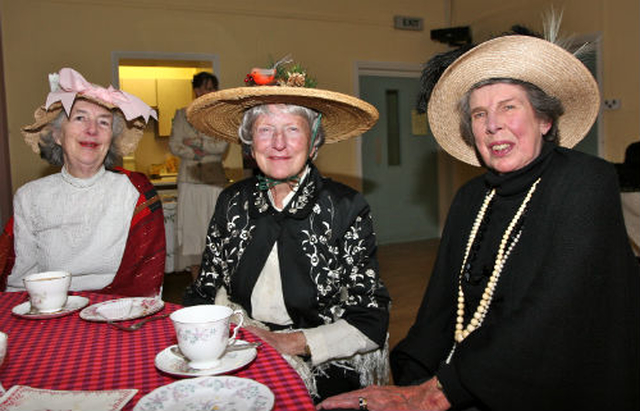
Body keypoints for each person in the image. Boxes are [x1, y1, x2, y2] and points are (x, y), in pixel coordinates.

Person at [318, 35, 640, 411]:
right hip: (471, 373)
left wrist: (438, 393)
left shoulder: (585, 180)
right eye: (478, 114)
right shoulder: (472, 198)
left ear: (544, 119)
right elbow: (440, 306)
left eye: (509, 107)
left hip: (556, 382)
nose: (492, 125)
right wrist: (414, 377)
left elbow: (550, 316)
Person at [183, 65, 391, 402]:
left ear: (313, 144)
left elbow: (370, 319)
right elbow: (205, 289)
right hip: (239, 345)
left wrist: (286, 343)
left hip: (322, 362)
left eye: (293, 129)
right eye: (265, 130)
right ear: (250, 144)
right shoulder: (231, 201)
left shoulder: (346, 207)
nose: (278, 143)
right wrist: (237, 330)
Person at [2, 67, 164, 297]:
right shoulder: (30, 197)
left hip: (118, 312)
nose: (92, 130)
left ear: (112, 138)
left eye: (104, 122)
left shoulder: (134, 192)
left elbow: (148, 283)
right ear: (57, 135)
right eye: (80, 118)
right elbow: (18, 284)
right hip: (53, 314)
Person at [169, 72, 229, 278]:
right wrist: (201, 149)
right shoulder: (181, 115)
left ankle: (218, 283)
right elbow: (175, 145)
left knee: (215, 232)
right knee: (193, 234)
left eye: (213, 88)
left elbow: (220, 147)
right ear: (196, 90)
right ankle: (197, 284)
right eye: (205, 87)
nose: (208, 92)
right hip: (189, 180)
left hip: (215, 181)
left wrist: (194, 143)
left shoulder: (219, 117)